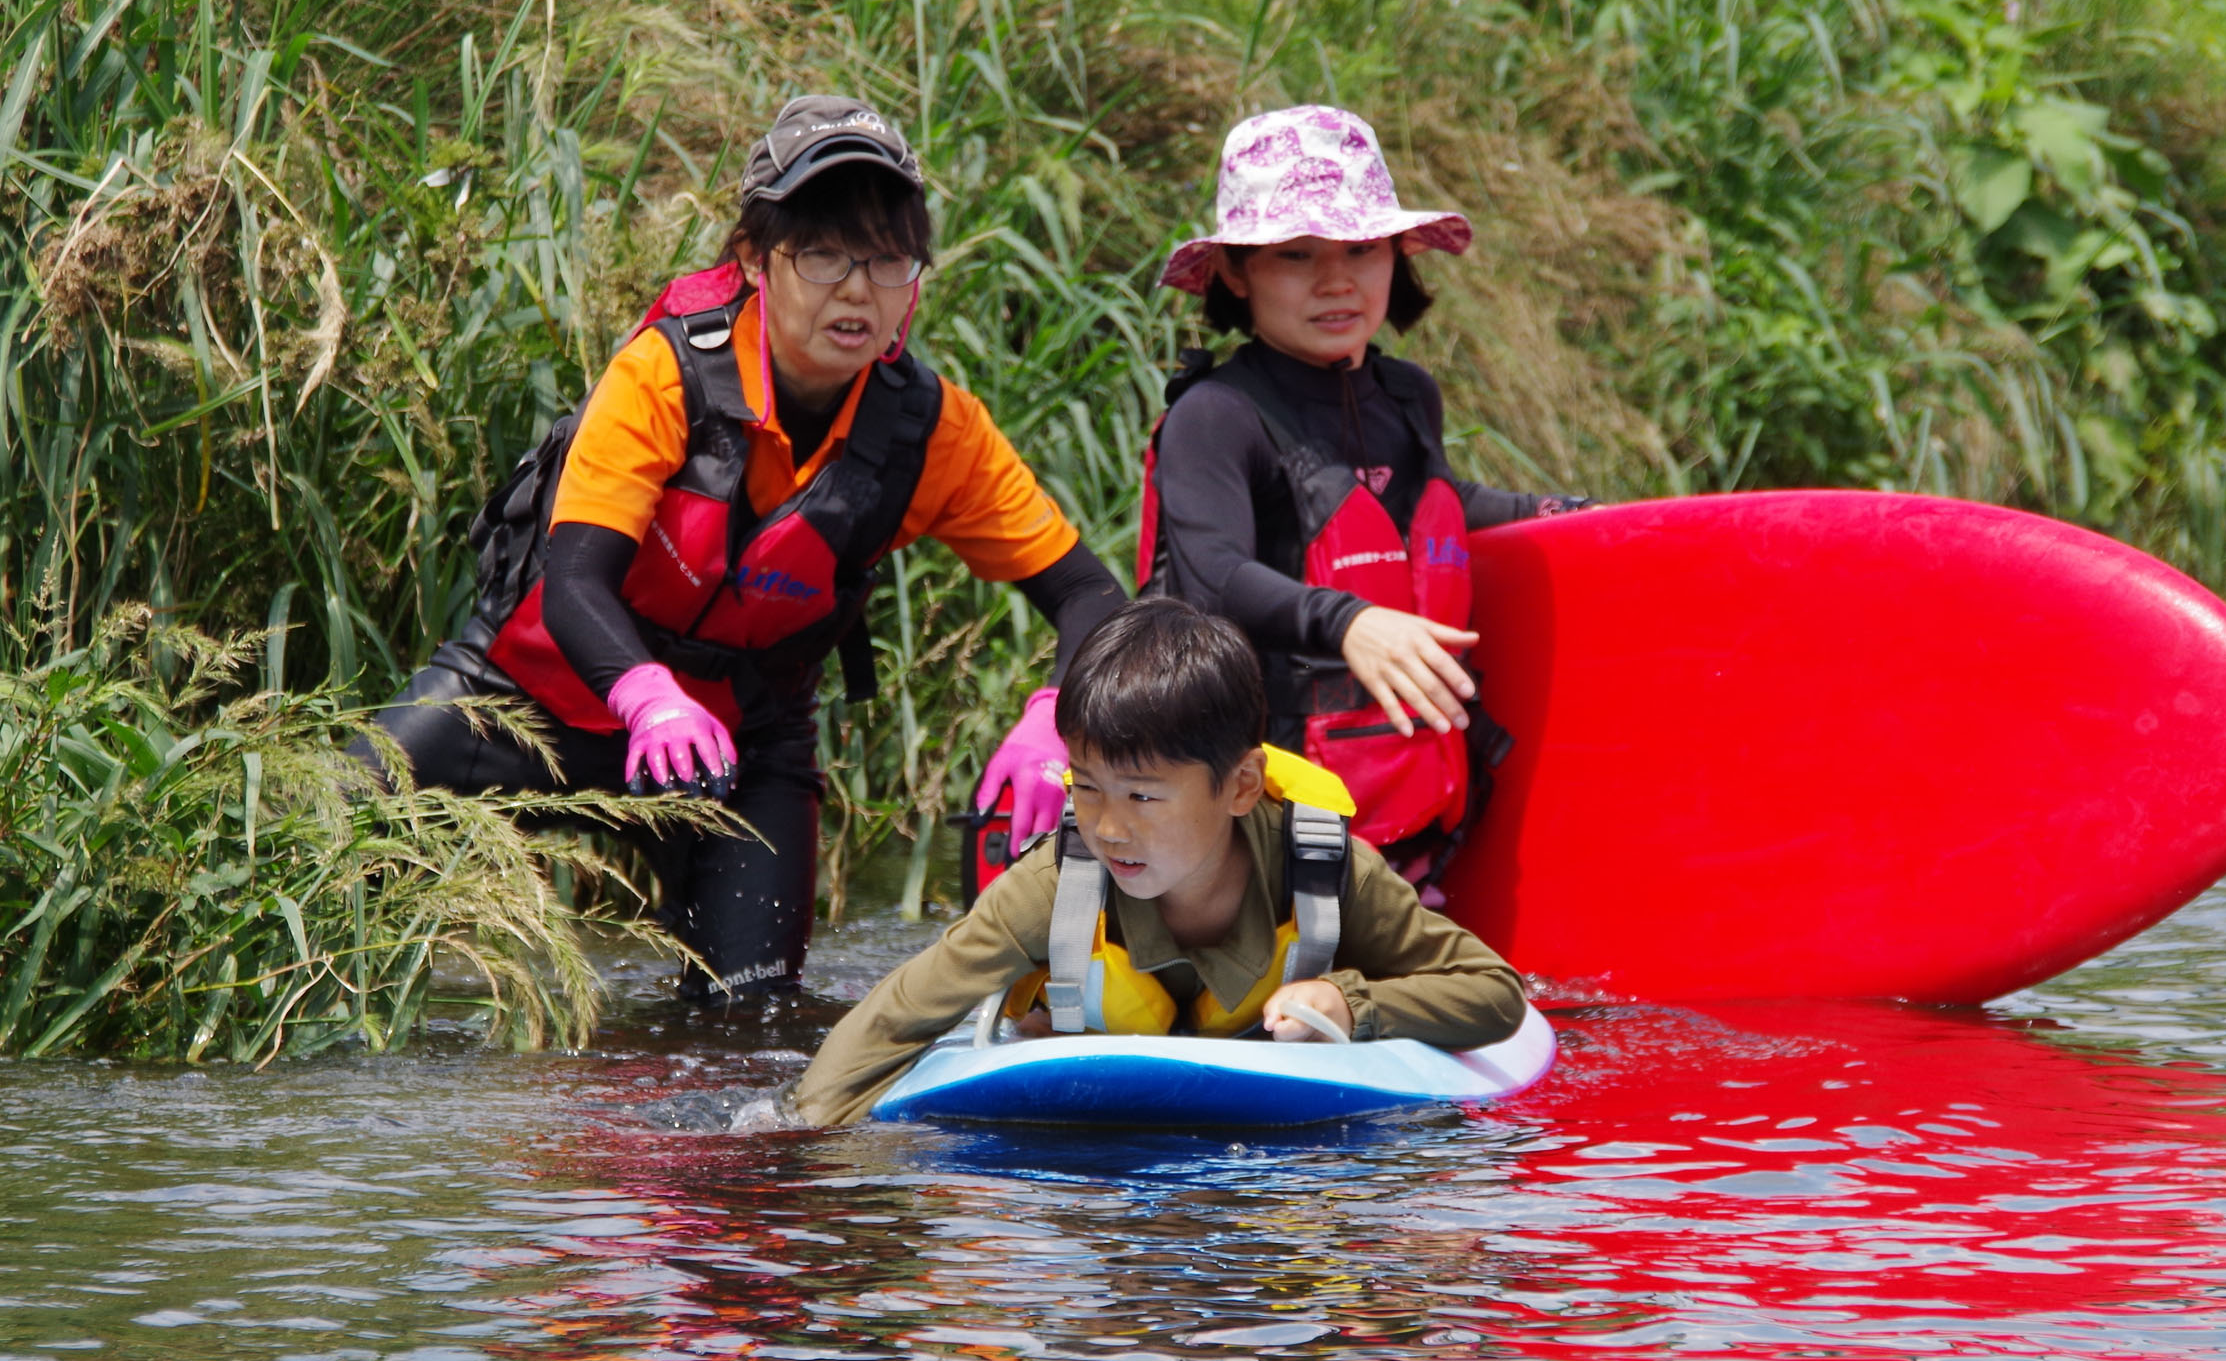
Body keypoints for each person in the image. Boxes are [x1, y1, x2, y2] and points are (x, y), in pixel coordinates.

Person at [363, 97, 1124, 1005]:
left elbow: (1087, 592)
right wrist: (649, 698)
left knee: (751, 1024)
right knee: (315, 832)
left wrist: (1058, 719)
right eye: (823, 252)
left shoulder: (935, 432)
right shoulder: (664, 371)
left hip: (739, 745)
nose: (857, 289)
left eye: (888, 259)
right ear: (757, 261)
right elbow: (573, 583)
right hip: (524, 697)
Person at [793, 597, 1525, 1125]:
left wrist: (1353, 1005)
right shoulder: (1055, 885)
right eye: (1086, 787)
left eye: (1143, 797)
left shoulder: (1326, 873)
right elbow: (895, 1017)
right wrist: (798, 1149)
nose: (1107, 827)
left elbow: (1493, 994)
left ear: (1240, 786)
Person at [1136, 105, 1588, 897]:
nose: (1336, 279)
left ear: (1396, 257)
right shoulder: (1214, 416)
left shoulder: (1408, 395)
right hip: (1256, 824)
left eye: (1360, 248)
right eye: (1296, 254)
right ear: (1237, 273)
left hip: (1404, 819)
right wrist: (1350, 622)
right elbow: (1209, 577)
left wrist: (1579, 518)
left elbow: (1436, 505)